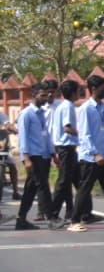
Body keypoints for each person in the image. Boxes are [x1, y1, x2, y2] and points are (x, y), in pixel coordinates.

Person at [69, 75, 104, 231]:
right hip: (91, 158)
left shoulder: (103, 107)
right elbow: (84, 134)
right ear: (93, 89)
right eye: (103, 88)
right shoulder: (86, 109)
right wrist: (95, 153)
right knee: (84, 190)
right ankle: (74, 221)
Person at [15, 82, 54, 230]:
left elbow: (46, 135)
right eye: (42, 95)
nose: (46, 98)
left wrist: (52, 153)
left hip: (43, 155)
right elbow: (23, 138)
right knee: (43, 186)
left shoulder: (41, 113)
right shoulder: (26, 114)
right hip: (33, 155)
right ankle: (51, 218)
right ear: (34, 95)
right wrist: (26, 158)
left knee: (30, 189)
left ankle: (21, 219)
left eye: (47, 95)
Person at [48, 79, 81, 228]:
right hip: (66, 147)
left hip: (67, 147)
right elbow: (67, 128)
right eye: (78, 90)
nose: (79, 93)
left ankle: (83, 212)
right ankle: (52, 214)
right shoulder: (67, 106)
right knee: (63, 182)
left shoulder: (63, 106)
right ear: (73, 93)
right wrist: (82, 135)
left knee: (77, 180)